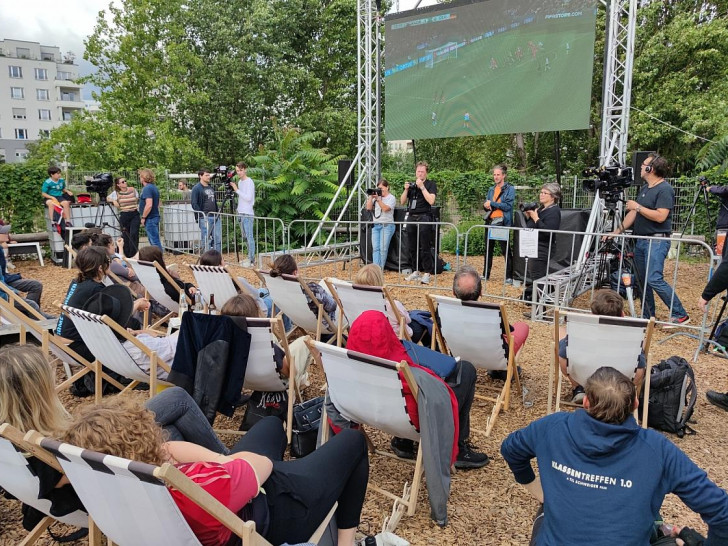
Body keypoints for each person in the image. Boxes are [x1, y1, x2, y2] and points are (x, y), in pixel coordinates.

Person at [61, 397, 369, 546]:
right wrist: (225, 466)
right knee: (353, 442)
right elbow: (262, 466)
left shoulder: (120, 491)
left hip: (234, 499)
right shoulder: (198, 489)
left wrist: (222, 464)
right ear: (142, 438)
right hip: (276, 514)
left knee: (271, 426)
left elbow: (168, 451)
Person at [501, 366, 728, 546]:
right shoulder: (657, 449)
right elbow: (722, 513)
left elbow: (511, 449)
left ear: (586, 402)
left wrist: (532, 485)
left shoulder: (553, 427)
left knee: (548, 506)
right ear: (635, 404)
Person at [346, 310, 488, 470]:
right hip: (416, 421)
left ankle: (403, 441)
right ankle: (458, 448)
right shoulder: (400, 365)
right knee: (466, 370)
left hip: (370, 412)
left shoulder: (348, 366)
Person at [607, 154, 689, 326]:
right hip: (642, 241)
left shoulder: (664, 189)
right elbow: (633, 213)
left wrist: (637, 206)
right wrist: (616, 232)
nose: (640, 167)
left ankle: (679, 313)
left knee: (654, 278)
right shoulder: (645, 189)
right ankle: (648, 316)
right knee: (643, 280)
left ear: (650, 168)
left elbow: (661, 216)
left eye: (643, 165)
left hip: (657, 241)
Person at [559, 289, 646, 403]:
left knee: (560, 333)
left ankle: (578, 389)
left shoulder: (581, 331)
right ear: (622, 314)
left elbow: (564, 363)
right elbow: (639, 370)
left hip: (583, 376)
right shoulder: (632, 335)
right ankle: (624, 395)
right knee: (642, 346)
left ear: (592, 314)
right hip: (620, 381)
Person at [452, 265, 529, 380]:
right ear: (481, 292)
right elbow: (508, 331)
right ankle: (502, 369)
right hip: (493, 356)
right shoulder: (491, 313)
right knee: (522, 326)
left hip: (460, 353)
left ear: (453, 292)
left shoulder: (443, 310)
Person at [354, 263, 432, 346]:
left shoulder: (355, 304)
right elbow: (408, 320)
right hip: (396, 341)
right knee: (423, 323)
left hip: (368, 338)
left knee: (417, 318)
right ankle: (430, 353)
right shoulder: (392, 305)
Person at [268, 253, 337, 333]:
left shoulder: (277, 290)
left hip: (300, 321)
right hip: (324, 325)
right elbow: (332, 306)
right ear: (295, 273)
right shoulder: (312, 289)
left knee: (323, 284)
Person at [522, 182, 562, 303]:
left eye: (545, 193)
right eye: (541, 192)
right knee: (536, 277)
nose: (541, 195)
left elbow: (548, 231)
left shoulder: (554, 211)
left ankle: (539, 309)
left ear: (553, 197)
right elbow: (531, 226)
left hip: (543, 248)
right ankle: (539, 306)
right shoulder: (540, 209)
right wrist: (529, 215)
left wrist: (536, 218)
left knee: (538, 278)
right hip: (533, 246)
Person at [400, 161, 437, 285]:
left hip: (424, 216)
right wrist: (406, 190)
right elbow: (402, 201)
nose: (419, 173)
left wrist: (422, 187)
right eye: (418, 171)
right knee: (412, 245)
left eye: (422, 171)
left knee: (424, 245)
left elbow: (431, 201)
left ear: (426, 172)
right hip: (411, 216)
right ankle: (415, 270)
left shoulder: (431, 184)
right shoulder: (412, 185)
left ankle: (427, 272)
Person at [0, 245, 54, 319]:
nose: (6, 235)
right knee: (32, 305)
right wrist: (12, 291)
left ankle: (30, 314)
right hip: (2, 291)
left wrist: (17, 276)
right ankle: (37, 321)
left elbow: (3, 275)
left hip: (4, 282)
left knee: (35, 285)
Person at [483, 164, 515, 283]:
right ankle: (486, 275)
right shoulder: (491, 189)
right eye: (494, 174)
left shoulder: (510, 189)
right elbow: (488, 205)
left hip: (502, 222)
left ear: (504, 176)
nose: (495, 177)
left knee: (505, 250)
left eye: (498, 175)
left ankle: (509, 276)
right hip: (490, 221)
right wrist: (486, 205)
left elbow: (507, 206)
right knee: (488, 249)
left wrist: (492, 203)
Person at [367, 179, 396, 271]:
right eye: (378, 188)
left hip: (387, 226)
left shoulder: (391, 198)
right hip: (376, 225)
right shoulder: (376, 198)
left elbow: (385, 209)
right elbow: (368, 208)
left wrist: (378, 200)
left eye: (382, 188)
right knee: (375, 248)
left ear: (387, 187)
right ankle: (375, 269)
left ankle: (380, 269)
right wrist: (371, 197)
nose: (380, 190)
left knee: (383, 249)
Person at [191, 169, 222, 253]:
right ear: (200, 176)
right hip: (205, 217)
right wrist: (201, 215)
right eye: (206, 175)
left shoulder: (211, 187)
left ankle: (217, 257)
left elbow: (213, 200)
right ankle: (206, 258)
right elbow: (194, 203)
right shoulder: (196, 188)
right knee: (206, 239)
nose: (209, 177)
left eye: (209, 175)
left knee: (217, 238)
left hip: (215, 216)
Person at [231, 162, 255, 267]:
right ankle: (249, 257)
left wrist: (236, 190)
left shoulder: (249, 182)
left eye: (240, 170)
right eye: (237, 171)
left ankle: (252, 259)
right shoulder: (240, 182)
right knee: (245, 236)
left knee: (249, 237)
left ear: (245, 169)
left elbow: (249, 198)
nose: (239, 173)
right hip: (240, 212)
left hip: (247, 213)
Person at [109, 176, 141, 256]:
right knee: (125, 235)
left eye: (125, 181)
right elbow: (107, 198)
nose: (125, 183)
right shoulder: (116, 193)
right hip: (124, 214)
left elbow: (137, 198)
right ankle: (127, 254)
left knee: (134, 233)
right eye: (122, 182)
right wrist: (113, 201)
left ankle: (134, 253)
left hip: (134, 213)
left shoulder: (132, 190)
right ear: (118, 185)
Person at [139, 168, 162, 250]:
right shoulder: (153, 187)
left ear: (143, 178)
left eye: (140, 176)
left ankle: (159, 259)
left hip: (150, 218)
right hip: (154, 216)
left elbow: (149, 205)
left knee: (154, 241)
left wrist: (143, 217)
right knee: (154, 240)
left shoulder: (147, 189)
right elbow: (159, 203)